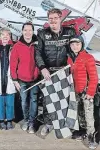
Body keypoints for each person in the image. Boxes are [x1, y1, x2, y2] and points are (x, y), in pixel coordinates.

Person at [34, 8, 76, 136]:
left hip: (65, 71)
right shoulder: (42, 33)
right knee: (48, 99)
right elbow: (37, 53)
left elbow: (76, 49)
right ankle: (48, 124)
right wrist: (42, 68)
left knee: (65, 98)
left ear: (60, 19)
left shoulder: (70, 32)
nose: (53, 21)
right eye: (50, 19)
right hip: (48, 72)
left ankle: (65, 124)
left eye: (55, 18)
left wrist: (72, 64)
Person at [67, 35, 98, 149]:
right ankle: (82, 131)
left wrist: (90, 92)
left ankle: (91, 136)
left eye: (77, 44)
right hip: (75, 91)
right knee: (79, 113)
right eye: (73, 44)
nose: (75, 46)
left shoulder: (88, 57)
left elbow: (94, 77)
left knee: (88, 114)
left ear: (82, 44)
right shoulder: (69, 58)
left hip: (86, 91)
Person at [10, 22, 40, 134]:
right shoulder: (17, 46)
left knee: (34, 101)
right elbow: (13, 64)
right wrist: (14, 79)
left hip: (35, 80)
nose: (27, 32)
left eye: (30, 30)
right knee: (24, 102)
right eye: (25, 30)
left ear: (33, 31)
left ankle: (32, 122)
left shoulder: (37, 44)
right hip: (22, 80)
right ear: (22, 32)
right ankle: (26, 120)